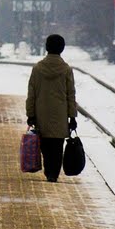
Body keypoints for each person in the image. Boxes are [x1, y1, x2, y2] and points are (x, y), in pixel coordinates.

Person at [26, 33, 78, 182]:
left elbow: (32, 94)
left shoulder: (37, 69)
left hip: (41, 114)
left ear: (46, 47)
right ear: (62, 48)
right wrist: (72, 116)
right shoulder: (66, 70)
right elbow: (71, 95)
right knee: (57, 146)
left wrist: (30, 114)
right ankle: (53, 173)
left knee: (45, 146)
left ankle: (49, 171)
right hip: (60, 116)